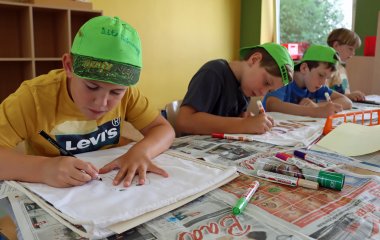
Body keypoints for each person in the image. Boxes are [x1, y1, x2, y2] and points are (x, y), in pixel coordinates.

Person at [0, 16, 175, 188]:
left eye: (116, 92)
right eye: (91, 87)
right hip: (55, 191)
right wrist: (43, 169)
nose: (102, 102)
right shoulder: (34, 97)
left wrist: (141, 151)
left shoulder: (128, 94)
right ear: (69, 66)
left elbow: (163, 129)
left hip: (104, 186)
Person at [175, 43, 294, 135]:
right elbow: (184, 121)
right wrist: (243, 124)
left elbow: (227, 122)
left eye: (269, 91)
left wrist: (243, 118)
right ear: (254, 59)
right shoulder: (214, 72)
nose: (263, 93)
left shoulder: (245, 89)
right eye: (266, 82)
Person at [263, 45, 352, 118]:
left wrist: (318, 106)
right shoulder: (285, 79)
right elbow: (272, 104)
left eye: (327, 78)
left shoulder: (316, 85)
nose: (323, 83)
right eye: (321, 75)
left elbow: (347, 101)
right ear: (304, 68)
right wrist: (315, 111)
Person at [327, 28, 365, 102]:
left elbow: (345, 93)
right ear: (336, 45)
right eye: (350, 49)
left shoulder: (342, 69)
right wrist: (349, 96)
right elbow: (323, 95)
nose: (353, 53)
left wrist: (353, 96)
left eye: (354, 50)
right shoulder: (326, 68)